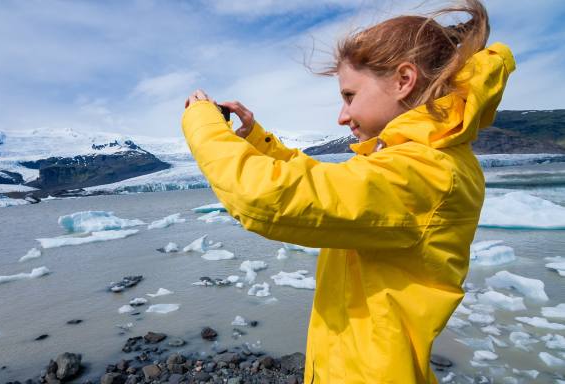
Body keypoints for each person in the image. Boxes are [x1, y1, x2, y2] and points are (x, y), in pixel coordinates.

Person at [181, 0, 514, 382]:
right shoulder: (416, 162)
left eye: (350, 95)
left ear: (403, 80)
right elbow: (328, 184)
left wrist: (202, 125)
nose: (342, 116)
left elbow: (267, 197)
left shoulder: (427, 172)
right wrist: (258, 143)